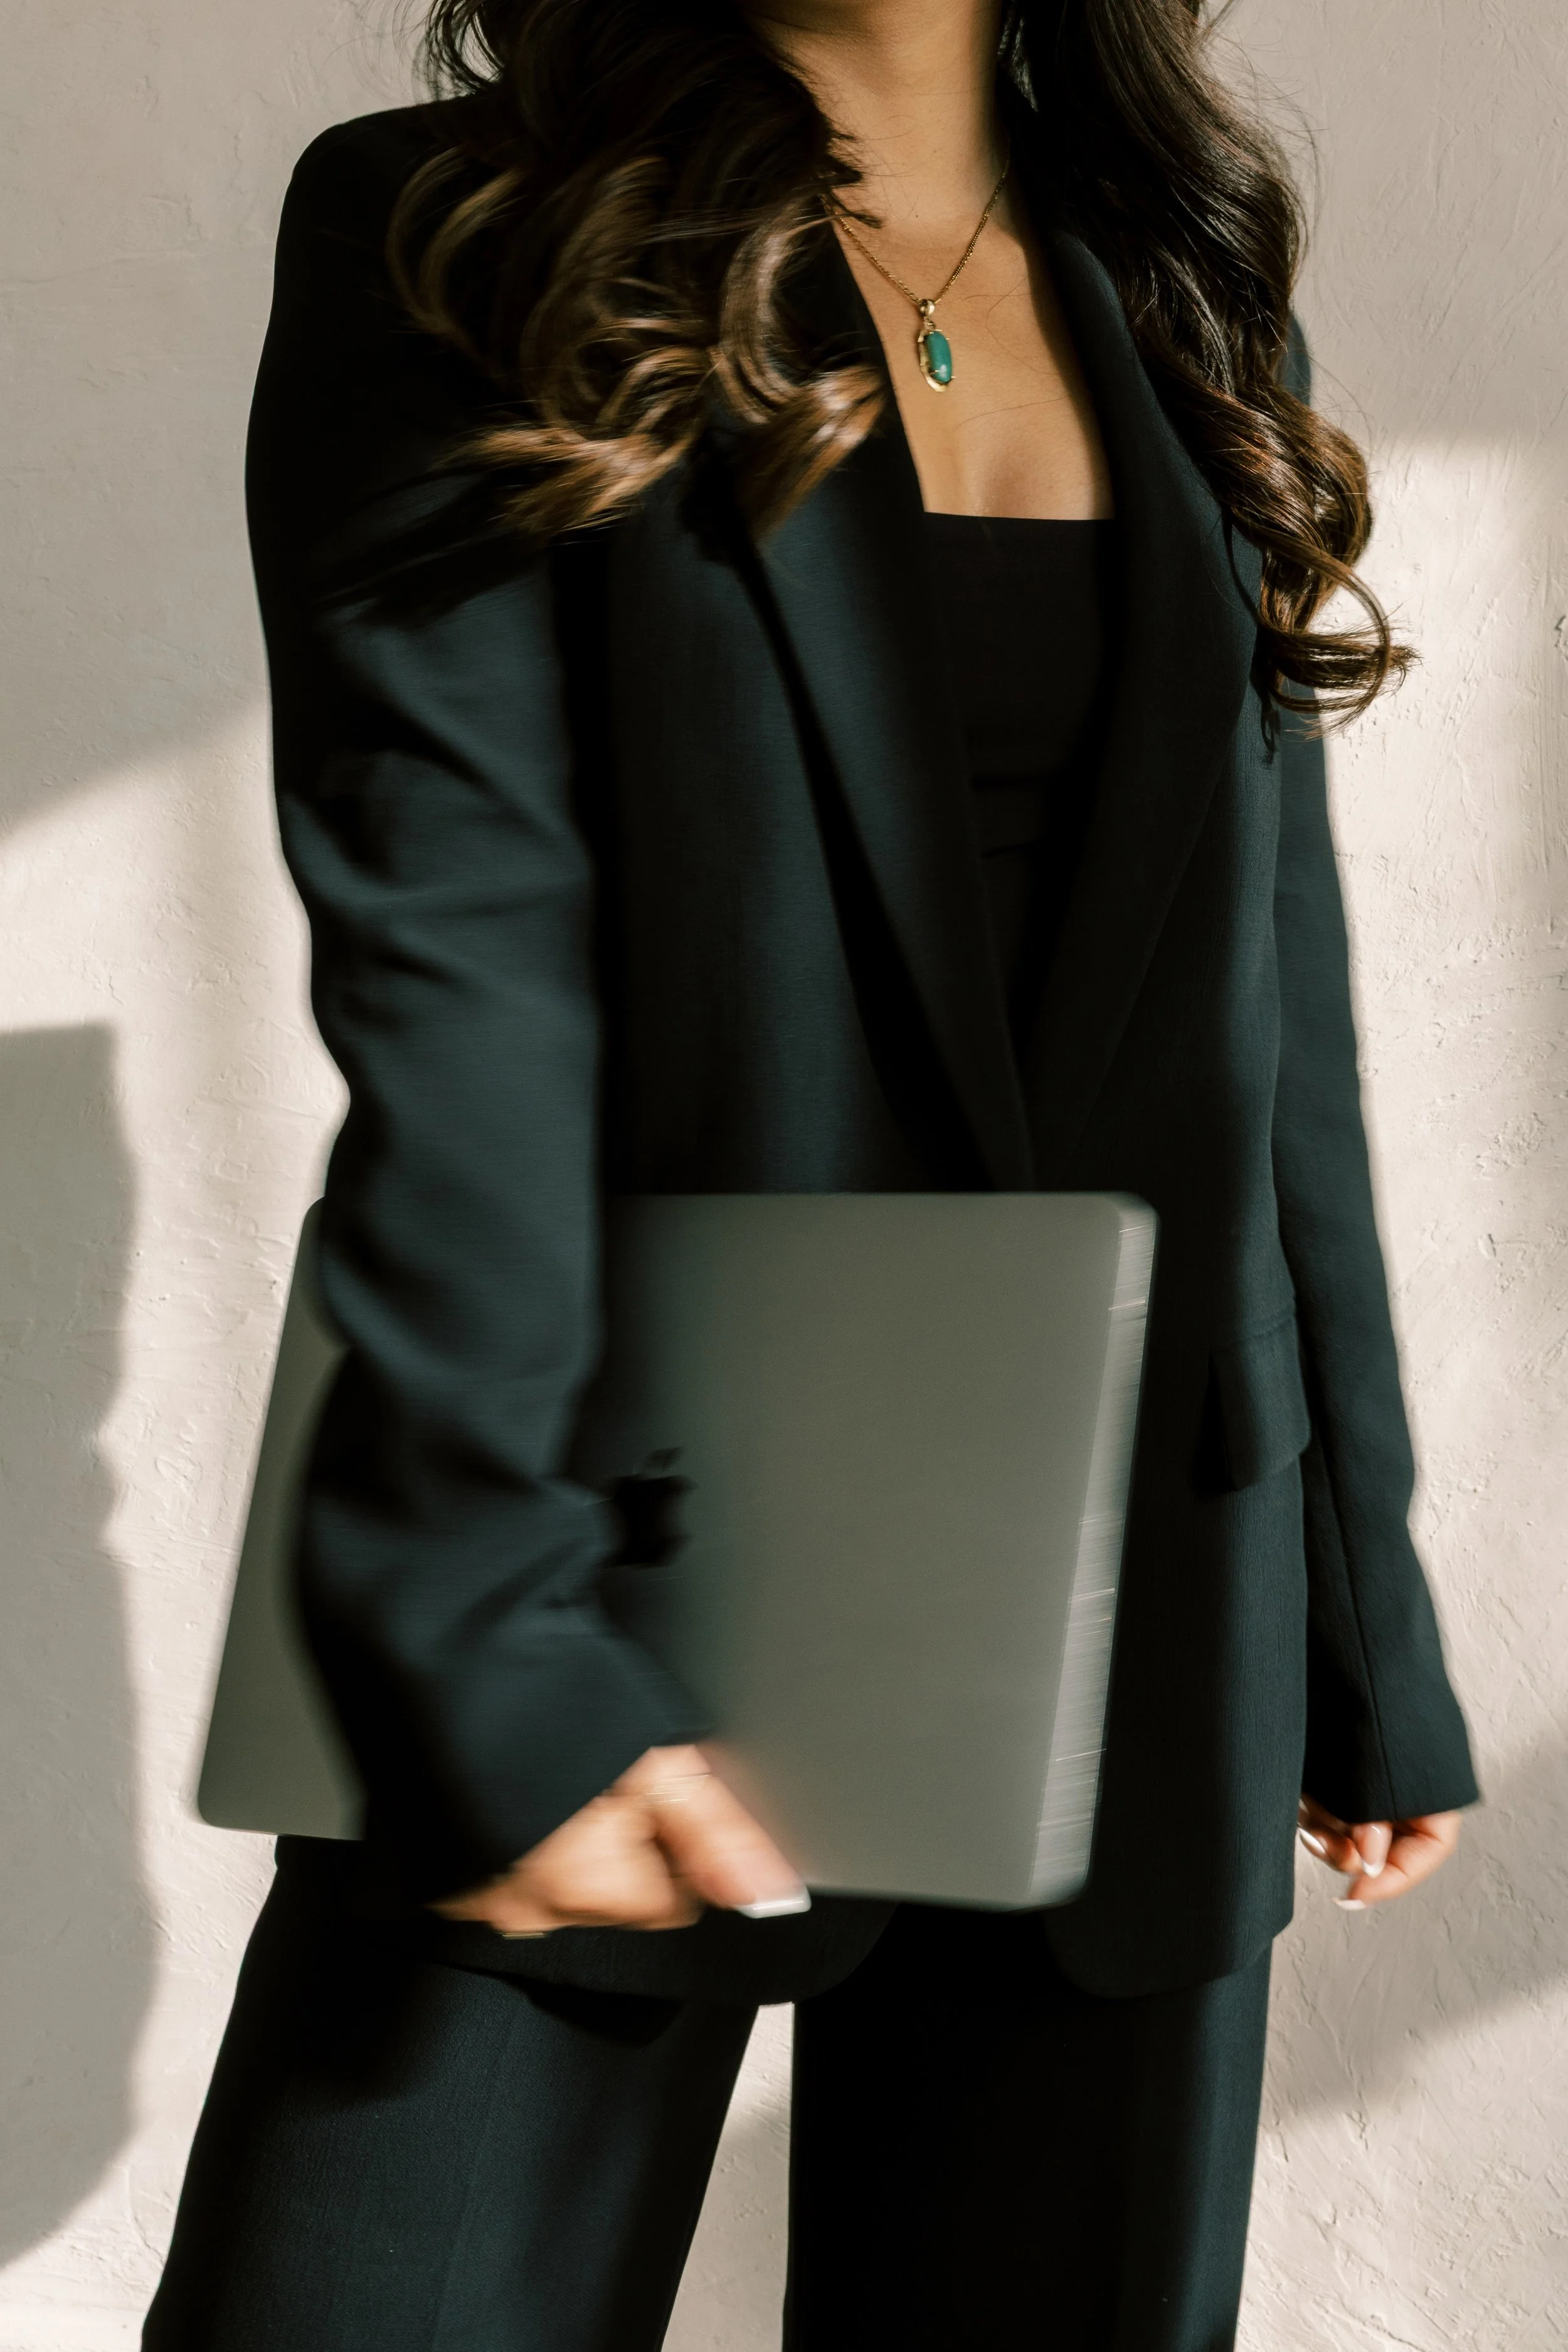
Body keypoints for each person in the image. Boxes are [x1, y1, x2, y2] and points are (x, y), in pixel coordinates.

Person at [144, 1, 1480, 2344]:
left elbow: (1276, 999)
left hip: (1136, 1595)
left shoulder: (1181, 281)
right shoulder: (457, 227)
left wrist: (1361, 1617)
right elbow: (456, 977)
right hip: (608, 1557)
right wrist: (494, 1625)